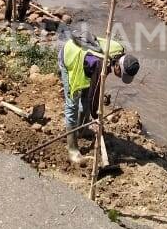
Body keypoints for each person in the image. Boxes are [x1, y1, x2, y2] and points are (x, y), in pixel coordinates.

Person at [58, 32, 140, 163]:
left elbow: (94, 91)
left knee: (85, 102)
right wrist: (96, 118)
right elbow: (94, 95)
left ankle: (80, 130)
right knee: (72, 105)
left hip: (86, 65)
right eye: (122, 74)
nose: (120, 77)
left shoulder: (119, 50)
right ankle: (72, 148)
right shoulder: (101, 64)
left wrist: (94, 114)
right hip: (70, 58)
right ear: (117, 66)